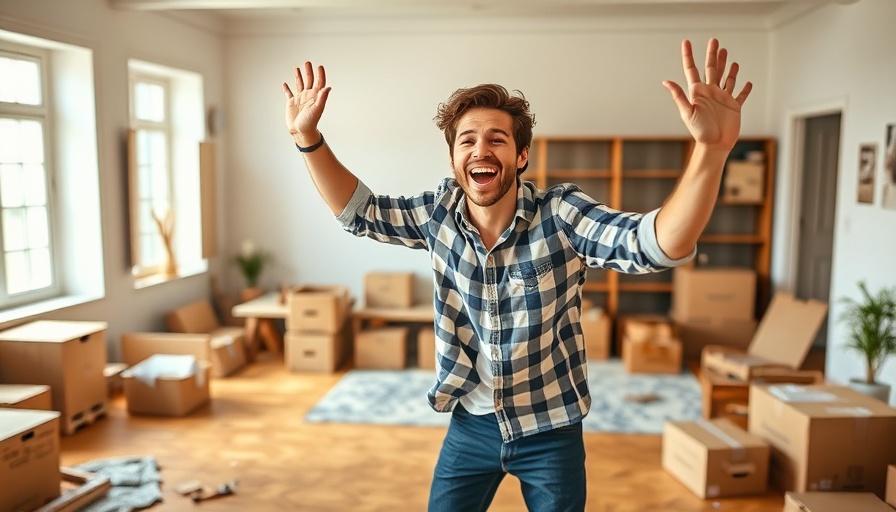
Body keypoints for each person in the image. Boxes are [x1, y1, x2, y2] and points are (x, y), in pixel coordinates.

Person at [282, 38, 752, 512]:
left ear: (521, 157)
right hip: (470, 424)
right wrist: (308, 139)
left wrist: (711, 152)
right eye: (467, 140)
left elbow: (652, 245)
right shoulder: (437, 216)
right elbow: (359, 212)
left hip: (551, 428)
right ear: (453, 161)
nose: (480, 149)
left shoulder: (562, 214)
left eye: (496, 139)